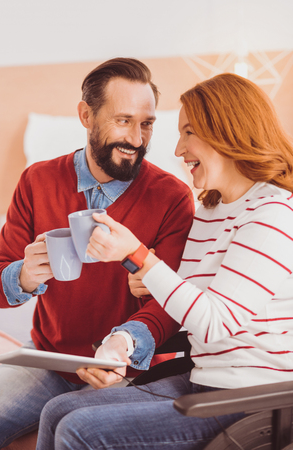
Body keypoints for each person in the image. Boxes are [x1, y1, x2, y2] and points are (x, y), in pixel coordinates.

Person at [35, 72, 293, 450]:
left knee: (81, 430)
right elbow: (188, 305)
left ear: (225, 132)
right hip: (203, 378)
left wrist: (138, 257)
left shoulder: (272, 213)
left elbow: (214, 323)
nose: (176, 150)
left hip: (251, 396)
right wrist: (125, 334)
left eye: (188, 132)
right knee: (57, 411)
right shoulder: (211, 209)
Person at [0, 57, 194, 448]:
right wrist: (23, 275)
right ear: (86, 115)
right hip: (50, 358)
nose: (137, 139)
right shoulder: (37, 180)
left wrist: (119, 347)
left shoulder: (172, 198)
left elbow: (170, 305)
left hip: (126, 370)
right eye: (123, 120)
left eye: (147, 124)